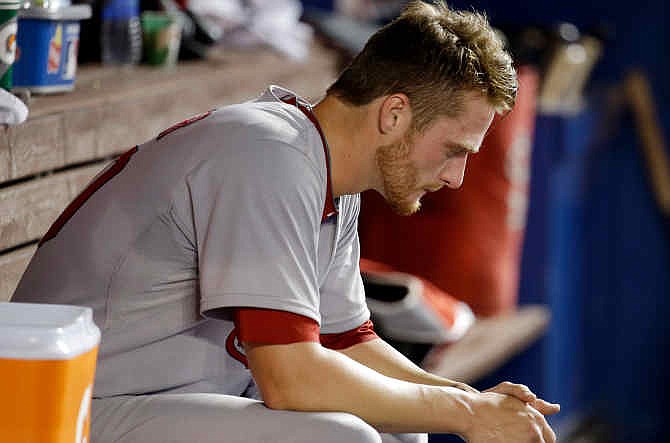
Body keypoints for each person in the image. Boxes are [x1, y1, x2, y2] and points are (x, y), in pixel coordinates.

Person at [12, 1, 560, 442]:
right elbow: (290, 376)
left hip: (157, 398)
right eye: (454, 150)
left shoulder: (326, 169)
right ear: (394, 114)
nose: (458, 177)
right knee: (344, 439)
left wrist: (470, 403)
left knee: (405, 428)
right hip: (67, 407)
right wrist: (464, 410)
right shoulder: (268, 152)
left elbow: (346, 341)